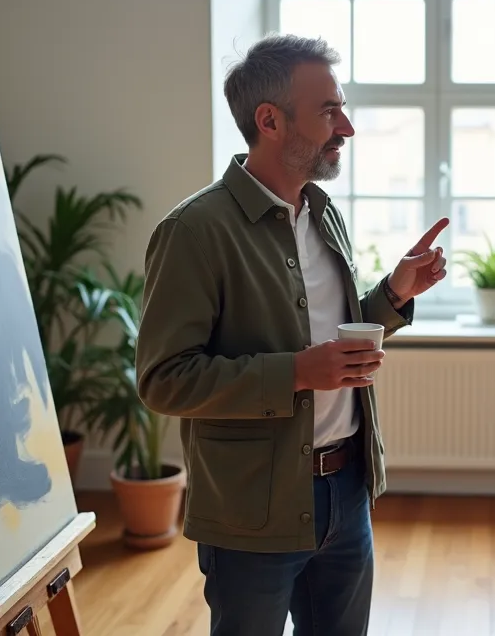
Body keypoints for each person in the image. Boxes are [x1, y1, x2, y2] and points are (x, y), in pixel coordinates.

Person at [134, 33, 449, 636]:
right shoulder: (194, 232)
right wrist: (299, 372)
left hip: (348, 490)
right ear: (270, 120)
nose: (347, 128)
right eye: (329, 111)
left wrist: (395, 293)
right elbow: (163, 381)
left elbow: (333, 337)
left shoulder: (323, 211)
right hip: (252, 508)